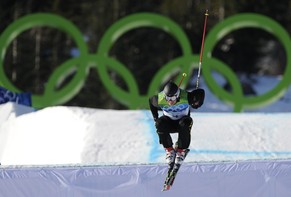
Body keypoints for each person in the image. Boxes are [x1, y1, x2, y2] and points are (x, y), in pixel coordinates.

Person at [149, 81, 205, 166]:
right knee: (159, 123)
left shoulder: (186, 97)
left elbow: (201, 93)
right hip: (169, 123)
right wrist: (155, 118)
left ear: (177, 95)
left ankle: (181, 151)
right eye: (167, 98)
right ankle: (169, 150)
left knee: (185, 123)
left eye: (172, 99)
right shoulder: (160, 99)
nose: (170, 102)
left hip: (182, 122)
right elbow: (151, 101)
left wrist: (197, 102)